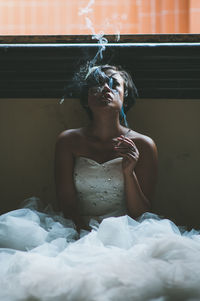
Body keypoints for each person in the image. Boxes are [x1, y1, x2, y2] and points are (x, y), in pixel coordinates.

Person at [55, 65, 158, 231]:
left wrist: (129, 173)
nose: (105, 89)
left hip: (126, 233)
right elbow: (67, 206)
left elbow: (141, 214)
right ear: (87, 98)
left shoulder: (144, 145)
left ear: (126, 95)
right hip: (76, 231)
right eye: (97, 84)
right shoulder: (68, 141)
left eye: (114, 84)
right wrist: (86, 239)